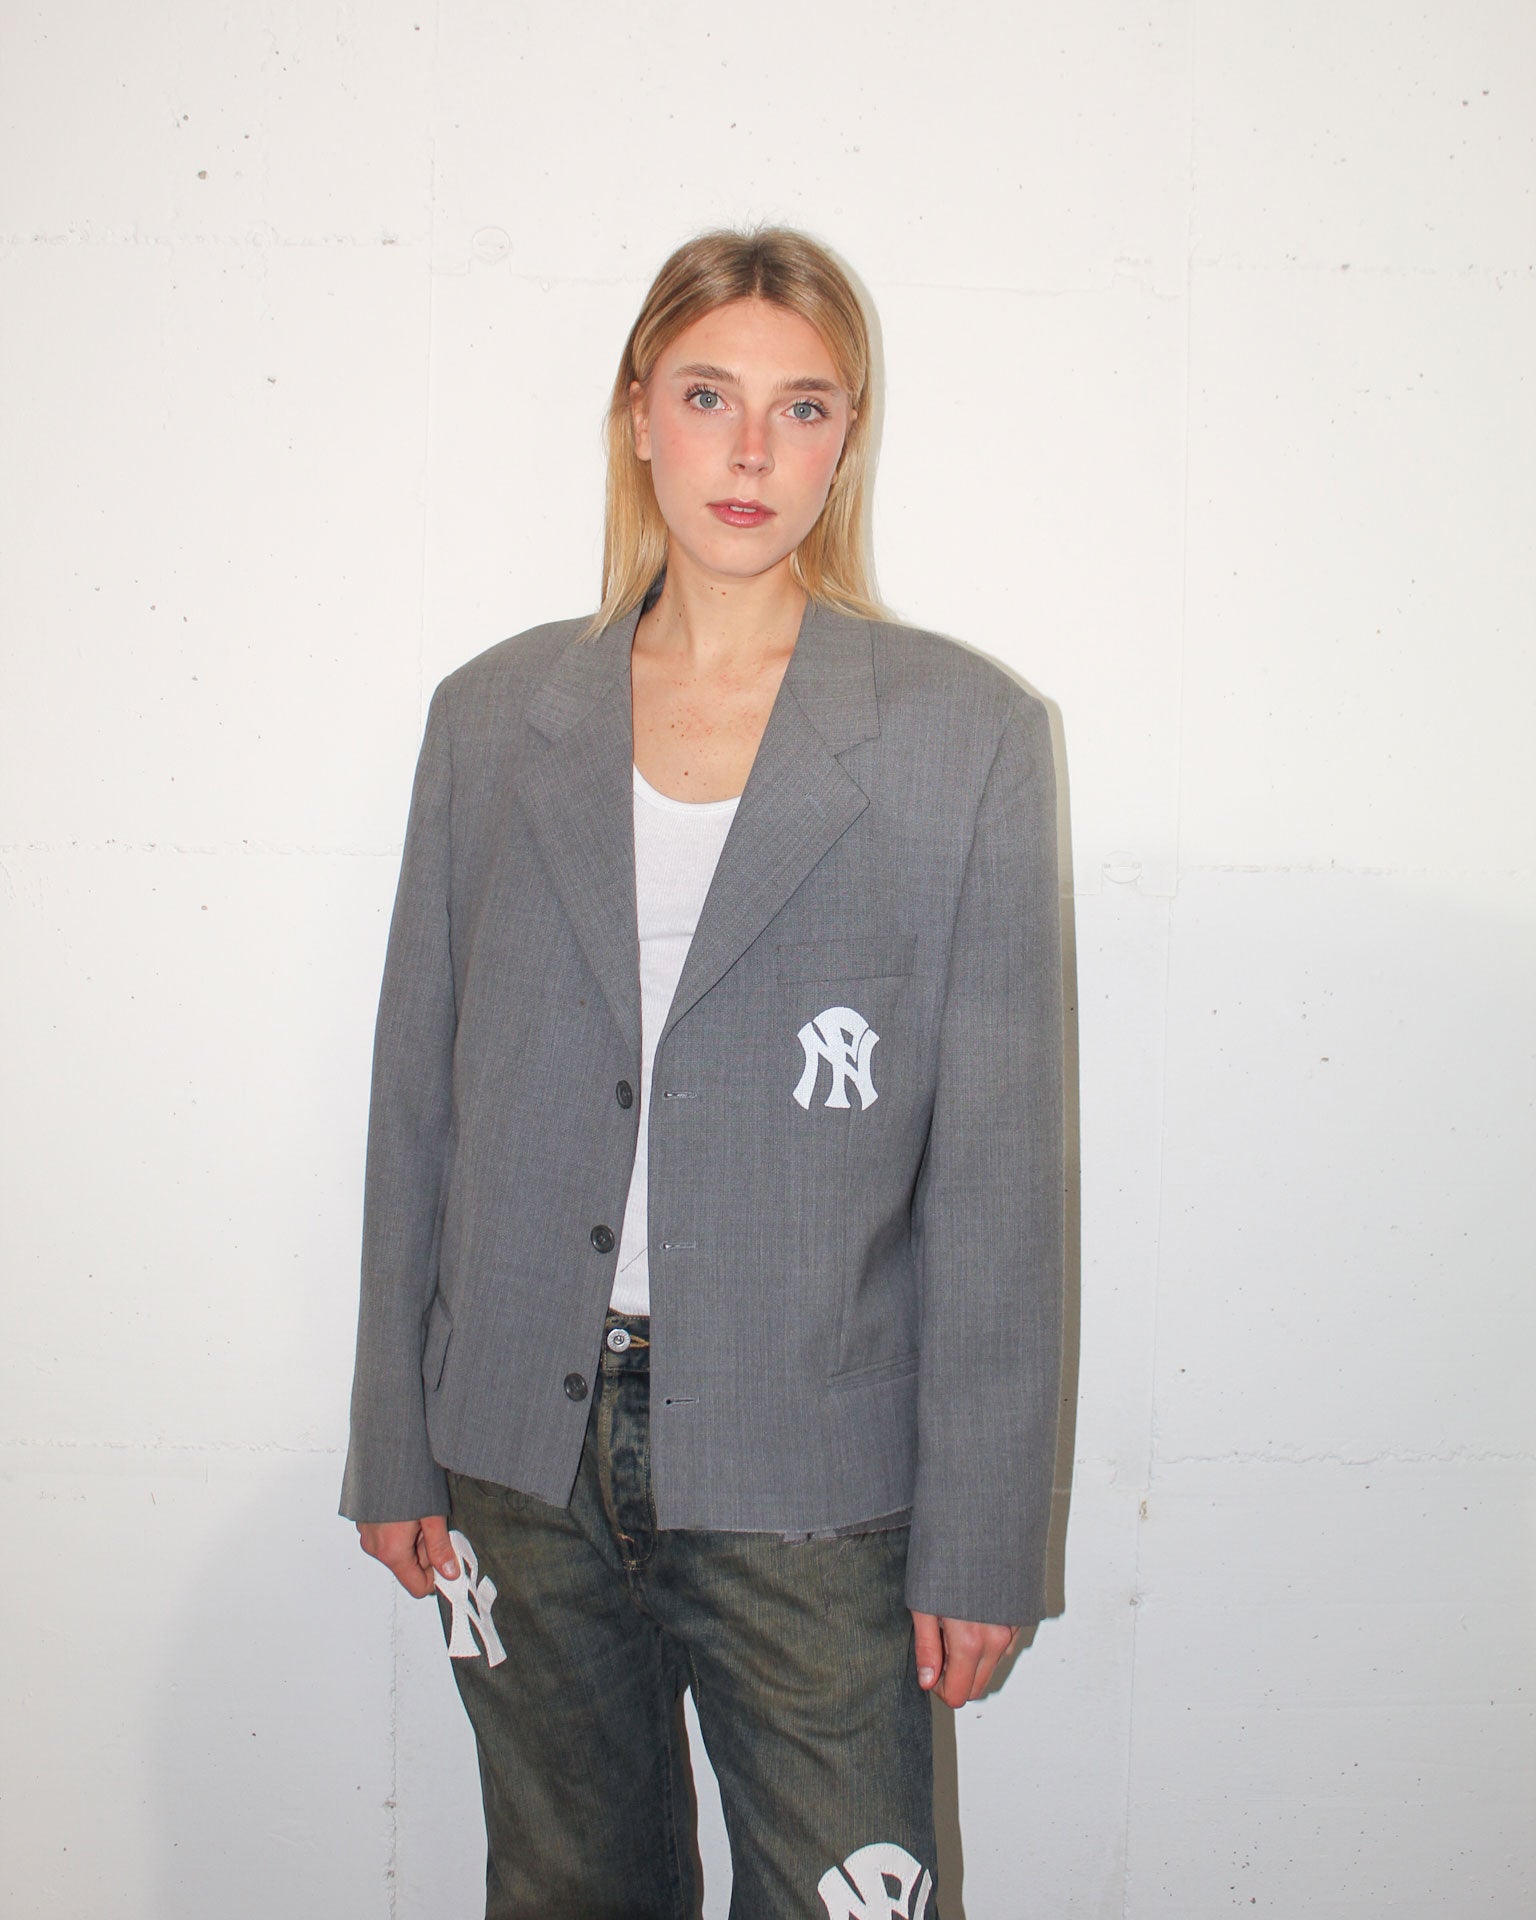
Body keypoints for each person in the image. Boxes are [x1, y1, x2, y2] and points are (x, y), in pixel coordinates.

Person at [341, 225, 1066, 1920]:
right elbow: (416, 1103)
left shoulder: (965, 735)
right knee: (564, 1889)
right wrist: (393, 1439)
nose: (751, 452)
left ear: (848, 437)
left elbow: (1000, 1175)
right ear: (637, 416)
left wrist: (981, 1538)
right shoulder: (493, 718)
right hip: (519, 1450)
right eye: (708, 396)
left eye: (802, 407)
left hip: (816, 1469)